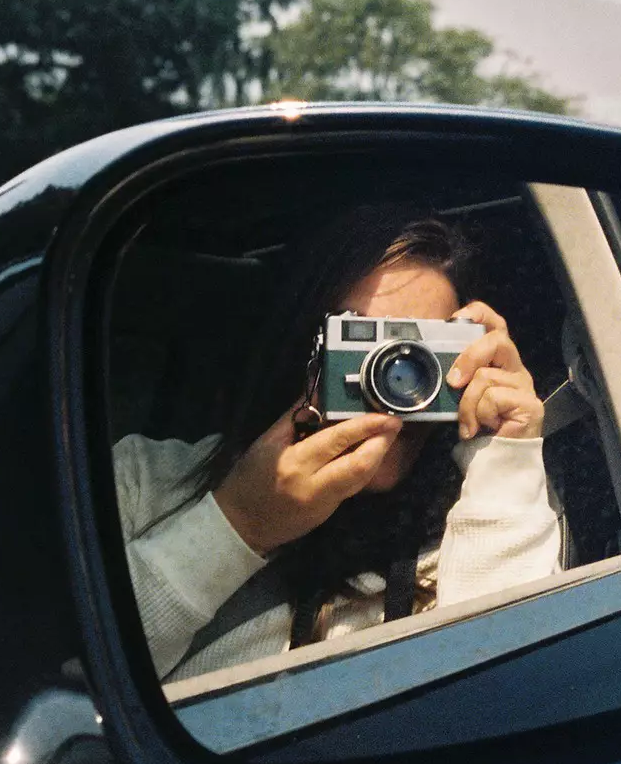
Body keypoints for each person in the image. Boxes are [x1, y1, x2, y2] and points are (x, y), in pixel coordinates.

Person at [113, 207, 564, 683]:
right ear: (299, 346)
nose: (392, 376)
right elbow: (73, 668)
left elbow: (508, 691)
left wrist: (505, 455)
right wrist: (238, 523)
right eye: (359, 337)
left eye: (420, 350)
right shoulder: (144, 480)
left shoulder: (486, 518)